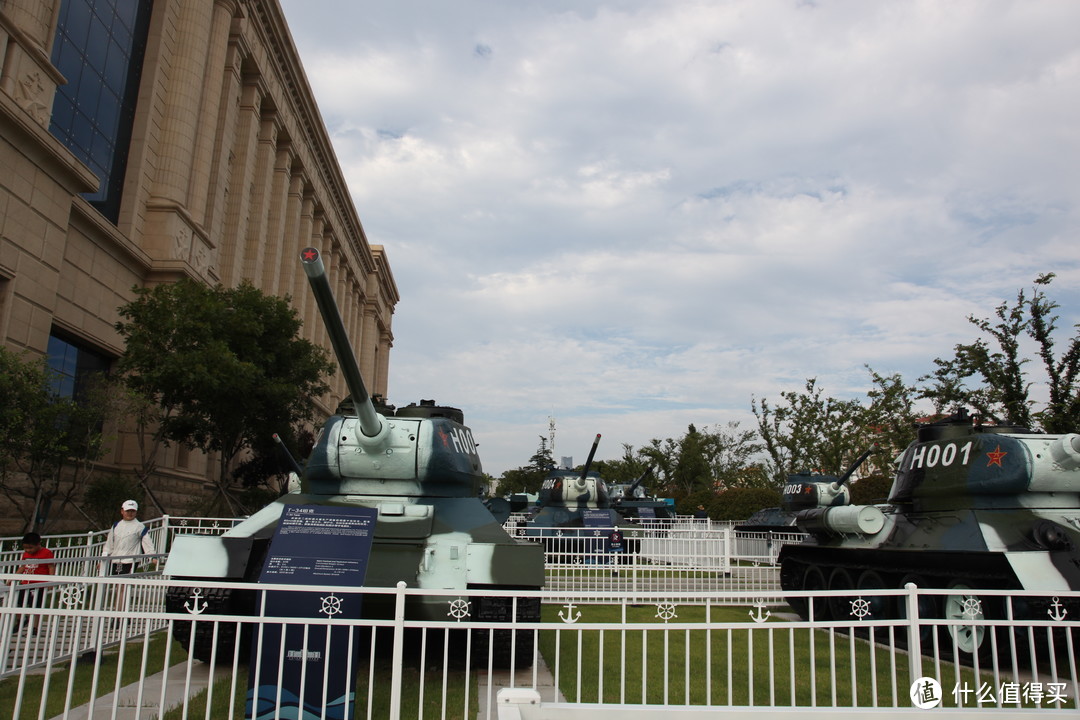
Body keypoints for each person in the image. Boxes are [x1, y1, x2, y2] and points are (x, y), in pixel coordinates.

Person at [102, 500, 157, 575]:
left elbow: (147, 543)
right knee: (115, 581)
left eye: (132, 511)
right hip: (115, 559)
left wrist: (152, 557)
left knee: (123, 582)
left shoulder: (139, 526)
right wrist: (103, 559)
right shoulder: (116, 526)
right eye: (128, 511)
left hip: (130, 560)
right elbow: (109, 544)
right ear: (122, 511)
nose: (130, 513)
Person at [17, 532, 55, 635]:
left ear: (38, 544)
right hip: (25, 583)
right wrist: (14, 577)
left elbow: (51, 567)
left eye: (30, 548)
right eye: (26, 548)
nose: (28, 550)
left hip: (39, 583)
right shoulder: (25, 554)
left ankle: (34, 627)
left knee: (36, 606)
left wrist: (50, 581)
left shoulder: (46, 553)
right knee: (18, 602)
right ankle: (22, 620)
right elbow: (23, 566)